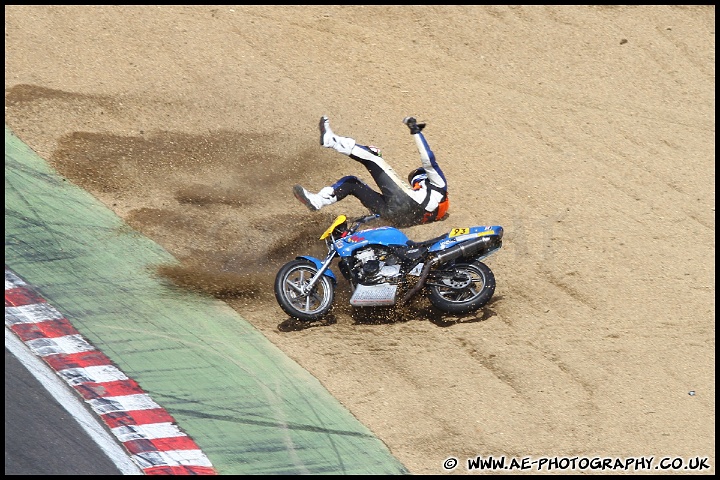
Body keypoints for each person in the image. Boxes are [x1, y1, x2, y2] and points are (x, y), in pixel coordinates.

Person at [293, 115, 450, 228]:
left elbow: (428, 159)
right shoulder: (436, 208)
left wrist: (416, 131)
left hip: (406, 203)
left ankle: (331, 141)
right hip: (397, 220)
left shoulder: (438, 185)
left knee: (372, 158)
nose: (413, 181)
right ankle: (318, 201)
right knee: (352, 184)